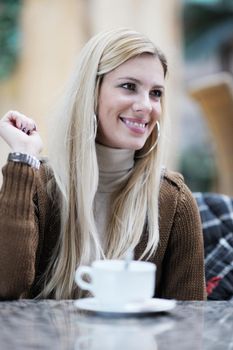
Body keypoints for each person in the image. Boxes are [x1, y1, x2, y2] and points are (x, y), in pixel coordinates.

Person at [0, 28, 206, 300]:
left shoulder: (174, 201)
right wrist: (23, 158)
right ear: (91, 92)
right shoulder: (38, 185)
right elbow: (5, 286)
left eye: (156, 93)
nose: (146, 106)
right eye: (129, 86)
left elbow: (190, 324)